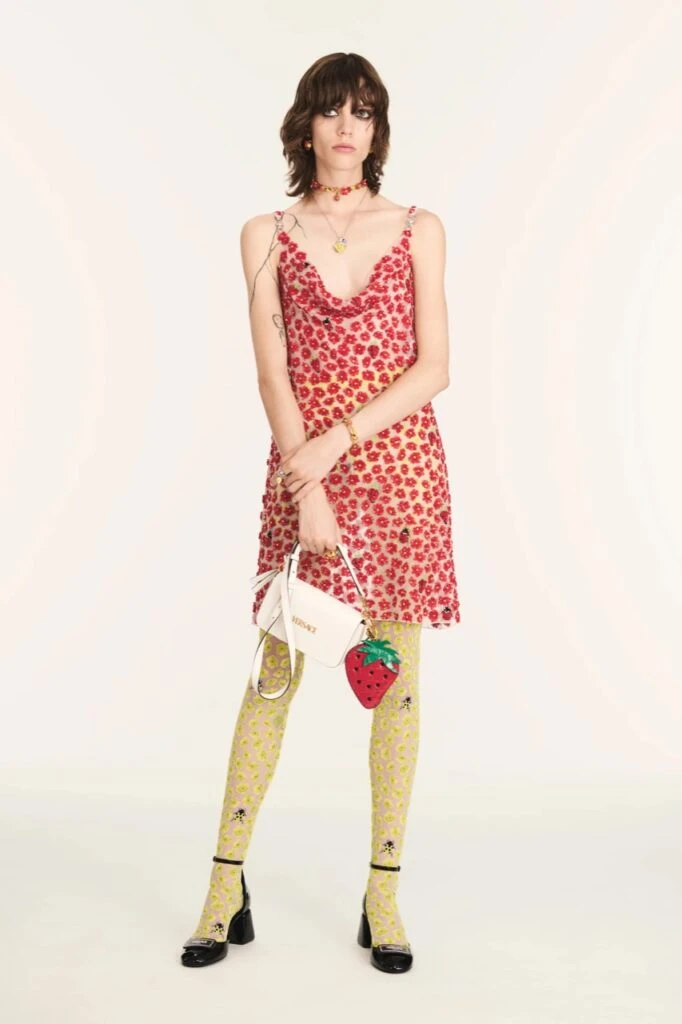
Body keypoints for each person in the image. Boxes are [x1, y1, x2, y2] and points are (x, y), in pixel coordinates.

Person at [180, 51, 460, 975]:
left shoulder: (419, 228)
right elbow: (272, 372)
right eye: (333, 110)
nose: (348, 127)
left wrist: (337, 446)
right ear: (305, 125)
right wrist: (310, 488)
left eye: (364, 112)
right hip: (305, 477)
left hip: (399, 474)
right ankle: (224, 884)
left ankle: (383, 893)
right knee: (275, 676)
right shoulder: (266, 233)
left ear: (379, 130)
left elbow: (434, 367)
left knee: (396, 684)